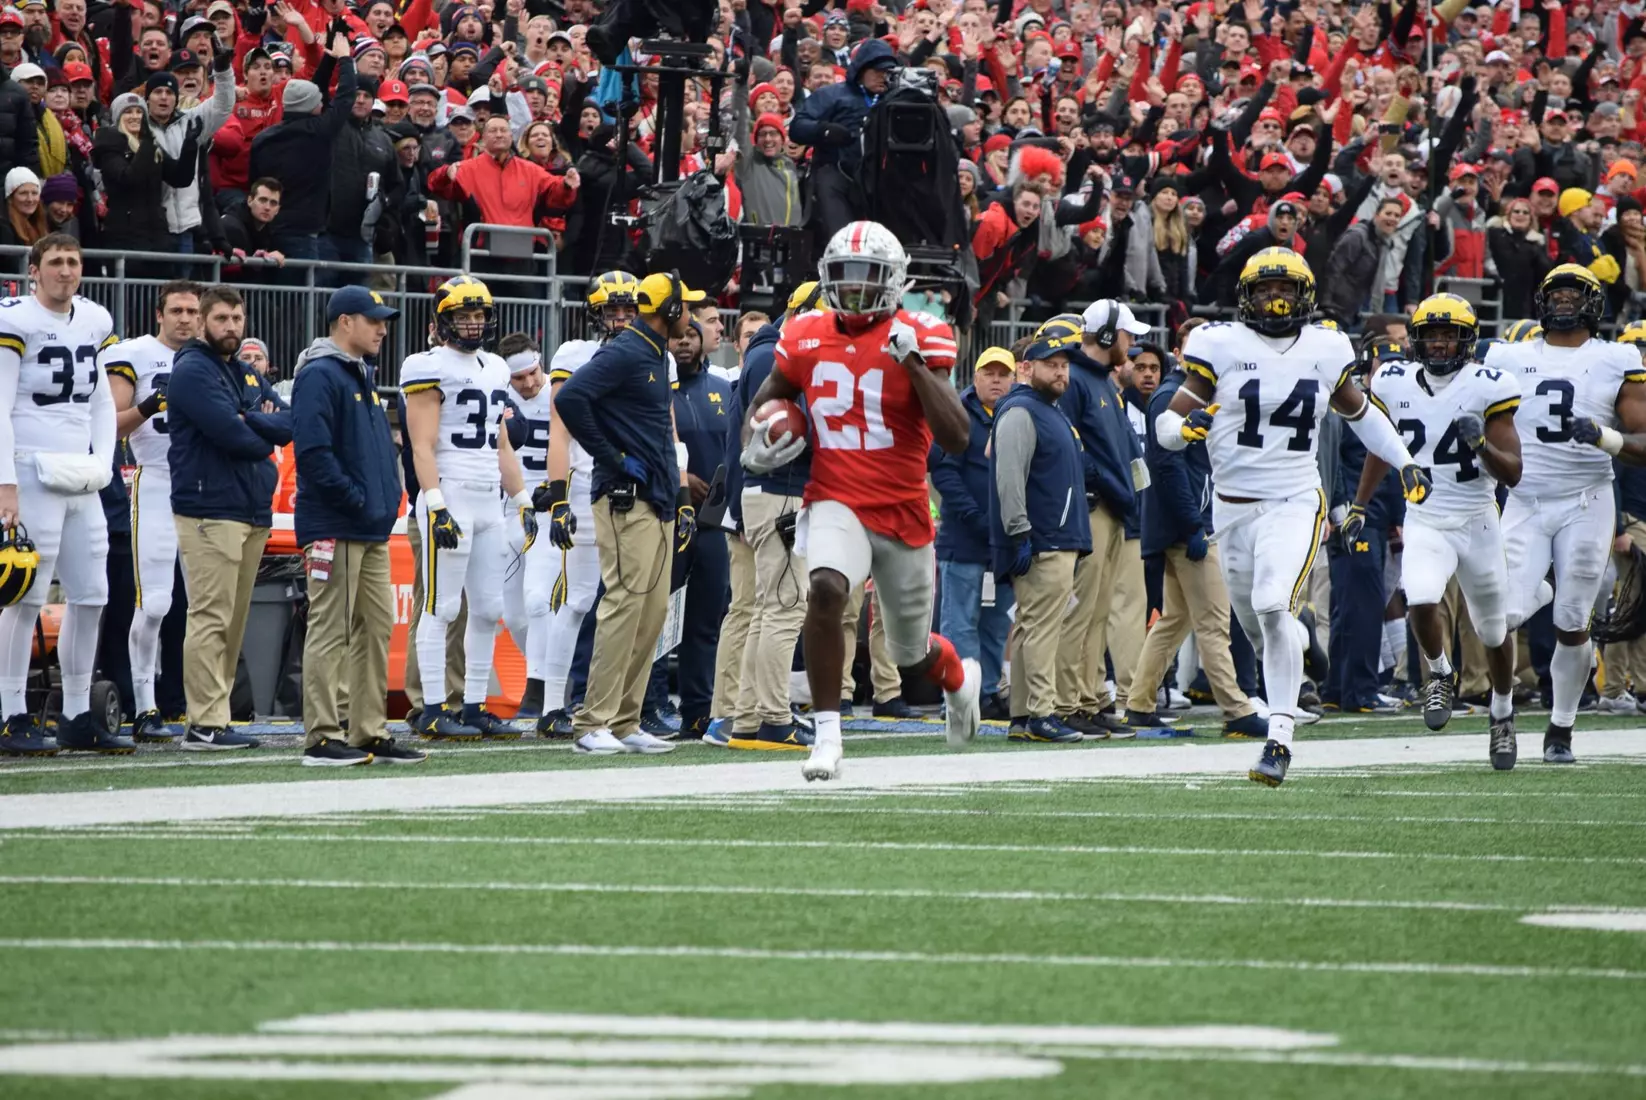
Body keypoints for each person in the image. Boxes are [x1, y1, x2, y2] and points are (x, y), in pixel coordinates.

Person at [1157, 247, 1431, 786]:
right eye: (1265, 289)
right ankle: (1298, 647)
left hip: (1294, 500)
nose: (1276, 299)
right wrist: (1180, 432)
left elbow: (1361, 413)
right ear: (1246, 296)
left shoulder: (1326, 347)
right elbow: (1168, 421)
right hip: (1232, 509)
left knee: (1270, 603)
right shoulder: (1221, 344)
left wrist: (1405, 461)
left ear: (1304, 296)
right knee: (1261, 628)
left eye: (1286, 289)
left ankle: (1278, 739)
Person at [741, 220, 980, 782]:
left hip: (902, 508)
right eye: (844, 276)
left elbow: (958, 437)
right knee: (824, 590)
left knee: (910, 656)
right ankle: (827, 736)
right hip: (834, 498)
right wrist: (760, 443)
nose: (854, 289)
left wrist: (914, 364)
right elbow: (764, 402)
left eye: (866, 277)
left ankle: (959, 680)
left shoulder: (924, 333)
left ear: (893, 281)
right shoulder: (803, 334)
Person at [1349, 294, 1524, 768]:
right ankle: (1439, 672)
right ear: (1417, 339)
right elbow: (1380, 447)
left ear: (1466, 340)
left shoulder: (1489, 386)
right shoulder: (1392, 379)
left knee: (1492, 630)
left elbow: (1513, 473)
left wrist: (1482, 444)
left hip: (1478, 518)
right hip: (1424, 515)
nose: (1441, 343)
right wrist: (1360, 505)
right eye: (1432, 334)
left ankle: (1503, 713)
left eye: (1449, 335)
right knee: (1421, 596)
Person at [1483, 265, 1646, 766]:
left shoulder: (1617, 357)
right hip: (1526, 500)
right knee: (1499, 618)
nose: (1564, 302)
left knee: (1573, 621)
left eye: (1575, 293)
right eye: (1556, 293)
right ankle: (1502, 710)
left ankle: (1561, 728)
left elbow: (1644, 439)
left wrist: (1604, 437)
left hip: (1586, 499)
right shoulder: (1507, 355)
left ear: (1594, 303)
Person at [552, 271, 697, 757]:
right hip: (624, 498)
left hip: (654, 498)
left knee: (652, 612)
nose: (691, 315)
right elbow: (570, 398)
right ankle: (592, 720)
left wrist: (676, 496)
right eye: (686, 307)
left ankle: (625, 718)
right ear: (670, 312)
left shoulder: (655, 351)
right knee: (623, 606)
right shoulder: (625, 350)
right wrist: (612, 457)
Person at [0, 233, 122, 756]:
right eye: (55, 262)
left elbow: (101, 401)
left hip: (80, 473)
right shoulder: (16, 317)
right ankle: (10, 713)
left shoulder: (95, 319)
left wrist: (105, 461)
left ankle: (76, 713)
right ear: (34, 269)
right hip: (29, 467)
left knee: (93, 592)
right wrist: (5, 482)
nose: (66, 270)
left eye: (73, 261)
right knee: (24, 593)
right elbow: (0, 404)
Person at [291, 285, 424, 766]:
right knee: (330, 628)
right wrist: (355, 499)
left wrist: (381, 502)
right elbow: (312, 451)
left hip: (367, 526)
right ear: (345, 322)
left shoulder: (359, 374)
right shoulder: (321, 375)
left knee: (375, 628)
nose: (383, 328)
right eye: (374, 320)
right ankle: (322, 735)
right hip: (336, 524)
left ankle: (367, 730)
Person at [400, 275, 535, 741]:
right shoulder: (427, 364)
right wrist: (435, 503)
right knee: (440, 608)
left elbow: (500, 445)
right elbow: (421, 445)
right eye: (463, 315)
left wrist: (522, 499)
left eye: (478, 314)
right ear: (443, 320)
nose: (473, 323)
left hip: (487, 497)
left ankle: (474, 704)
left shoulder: (496, 367)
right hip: (451, 491)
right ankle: (434, 707)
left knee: (487, 608)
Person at [1125, 336, 1269, 739]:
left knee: (1175, 620)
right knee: (1213, 621)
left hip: (1179, 523)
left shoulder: (1180, 394)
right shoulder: (1172, 399)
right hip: (1184, 526)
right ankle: (1236, 708)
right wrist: (1194, 526)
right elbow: (1168, 470)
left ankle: (1138, 702)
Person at [167, 284, 290, 750]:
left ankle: (216, 716)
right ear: (201, 322)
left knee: (234, 619)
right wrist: (259, 427)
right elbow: (233, 435)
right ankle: (202, 721)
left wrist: (251, 420)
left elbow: (289, 421)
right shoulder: (193, 371)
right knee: (211, 615)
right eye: (221, 319)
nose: (231, 327)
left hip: (250, 507)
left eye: (237, 319)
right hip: (209, 508)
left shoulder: (243, 372)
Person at [533, 271, 639, 737]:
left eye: (627, 309)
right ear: (594, 314)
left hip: (635, 486)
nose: (619, 318)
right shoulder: (574, 356)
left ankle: (621, 706)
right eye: (611, 310)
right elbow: (560, 432)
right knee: (577, 601)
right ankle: (556, 704)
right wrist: (558, 500)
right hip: (583, 487)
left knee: (631, 600)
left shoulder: (653, 354)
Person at [717, 282, 814, 750]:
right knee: (784, 606)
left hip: (768, 493)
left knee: (765, 609)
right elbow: (768, 432)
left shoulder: (769, 352)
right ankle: (774, 717)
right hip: (780, 492)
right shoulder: (776, 354)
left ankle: (749, 715)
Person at [100, 278, 198, 743]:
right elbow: (112, 425)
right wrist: (149, 404)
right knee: (155, 601)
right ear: (159, 315)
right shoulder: (136, 353)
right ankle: (145, 705)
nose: (185, 319)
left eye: (191, 311)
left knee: (207, 607)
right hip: (156, 480)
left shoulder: (211, 358)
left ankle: (205, 707)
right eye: (176, 310)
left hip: (206, 489)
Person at [988, 324, 1089, 743]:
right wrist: (1020, 531)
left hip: (1052, 535)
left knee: (1033, 628)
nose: (1061, 373)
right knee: (1043, 629)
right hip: (1045, 538)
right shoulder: (1021, 410)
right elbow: (1009, 476)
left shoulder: (1045, 409)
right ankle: (1042, 714)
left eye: (1065, 365)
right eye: (1052, 365)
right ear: (1027, 367)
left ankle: (1022, 716)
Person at [1053, 301, 1149, 738]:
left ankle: (1089, 699)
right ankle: (1066, 702)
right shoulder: (1076, 382)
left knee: (1097, 613)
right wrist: (1098, 482)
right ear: (1108, 335)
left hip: (1113, 508)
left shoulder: (1103, 382)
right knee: (1080, 613)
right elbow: (1067, 443)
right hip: (1092, 508)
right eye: (1127, 335)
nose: (1132, 344)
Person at [931, 345, 1016, 719]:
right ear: (976, 377)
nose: (996, 380)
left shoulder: (1017, 414)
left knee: (998, 622)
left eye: (1003, 374)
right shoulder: (959, 416)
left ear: (1014, 379)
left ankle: (986, 690)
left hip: (1004, 542)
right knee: (959, 624)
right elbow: (945, 473)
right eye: (990, 373)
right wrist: (976, 517)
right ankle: (957, 696)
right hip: (965, 539)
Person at [494, 331, 553, 722]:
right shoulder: (498, 398)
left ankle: (540, 687)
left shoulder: (561, 393)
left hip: (548, 507)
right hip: (509, 508)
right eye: (520, 378)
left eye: (534, 373)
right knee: (512, 614)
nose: (530, 383)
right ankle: (544, 677)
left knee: (538, 602)